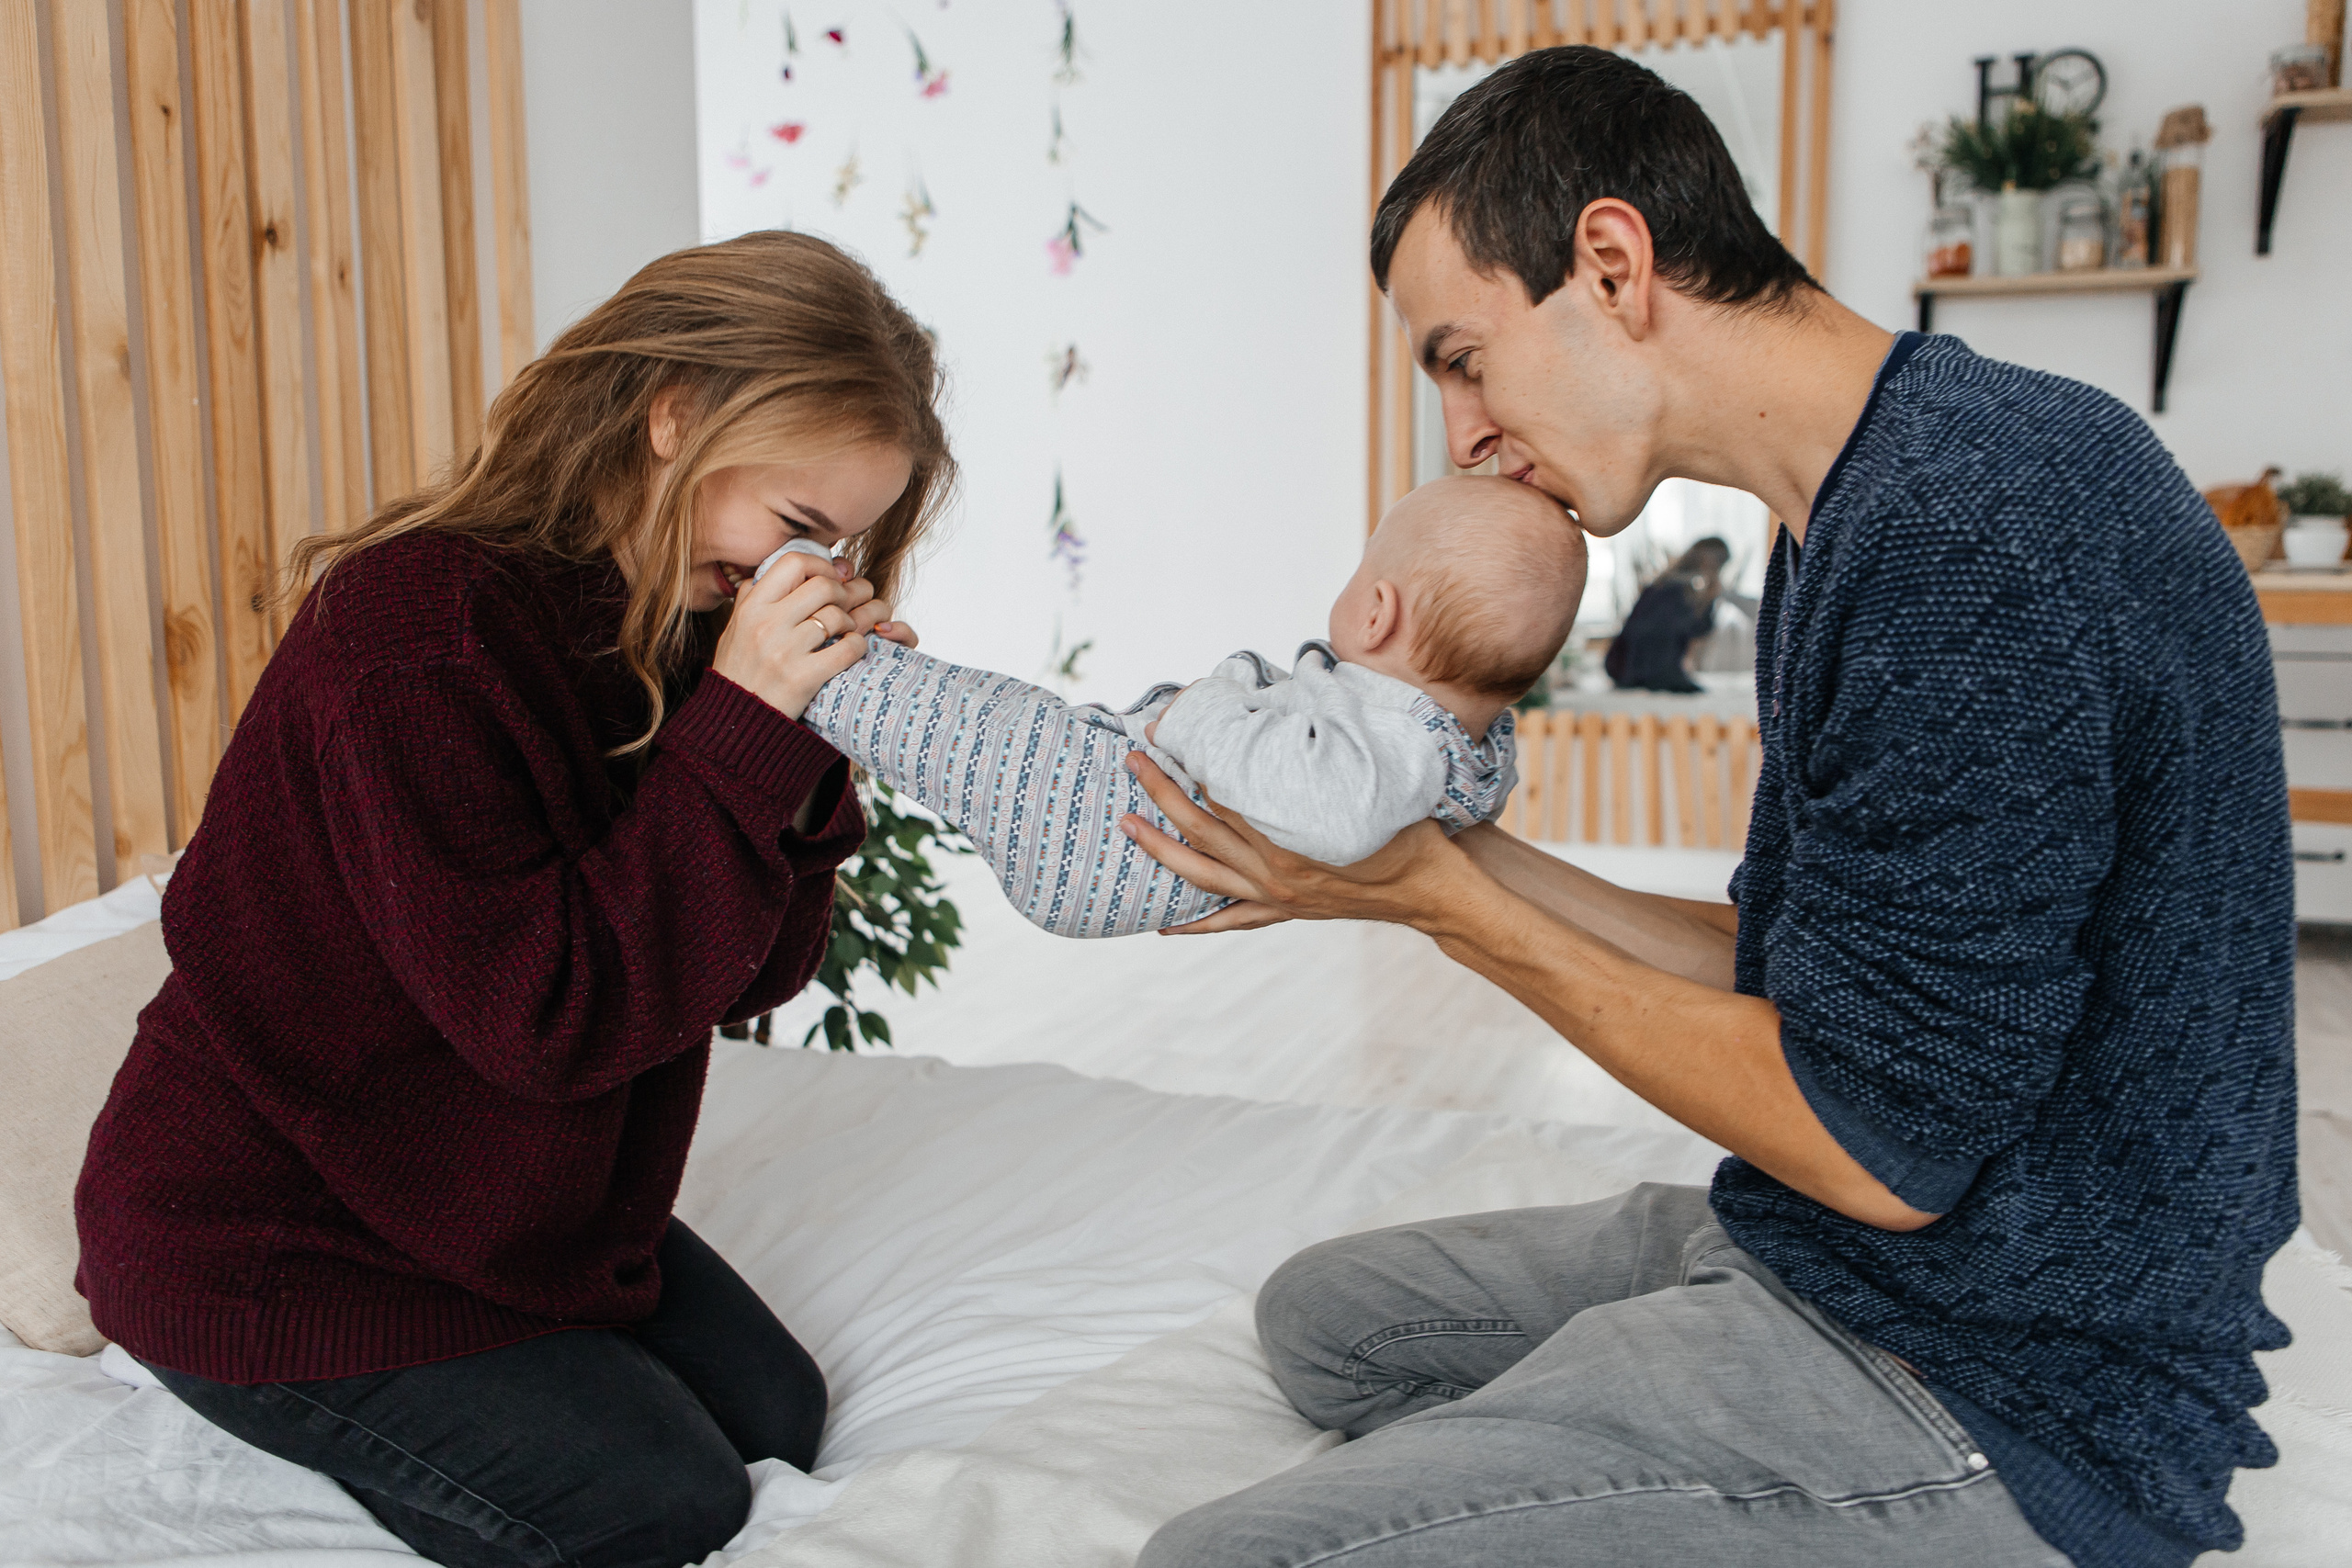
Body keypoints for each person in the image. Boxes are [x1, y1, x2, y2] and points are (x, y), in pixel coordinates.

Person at [1128, 45, 2294, 1568]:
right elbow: (1798, 970)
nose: (1464, 433)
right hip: (1847, 1256)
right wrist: (1438, 854)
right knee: (1330, 1325)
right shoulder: (1859, 500)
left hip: (2010, 1376)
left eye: (1463, 357)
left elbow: (1883, 1149)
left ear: (1612, 264)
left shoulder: (1964, 533)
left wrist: (1444, 907)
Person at [73, 232, 952, 1568]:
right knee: (665, 1505)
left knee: (777, 1418)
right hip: (270, 1228)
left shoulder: (676, 619)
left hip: (499, 1198)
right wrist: (745, 723)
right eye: (792, 526)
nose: (799, 572)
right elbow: (547, 1020)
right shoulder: (419, 636)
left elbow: (751, 974)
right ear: (673, 417)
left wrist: (808, 733)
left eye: (832, 543)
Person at [797, 475, 1583, 936]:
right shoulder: (1454, 753)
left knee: (992, 726)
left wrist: (1199, 709)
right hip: (1114, 836)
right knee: (960, 723)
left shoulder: (1397, 740)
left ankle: (807, 642)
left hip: (1104, 822)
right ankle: (848, 671)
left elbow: (1328, 816)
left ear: (1378, 613)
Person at [1604, 535, 1730, 692]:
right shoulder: (1679, 588)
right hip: (1646, 671)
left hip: (1621, 668)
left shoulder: (1664, 582)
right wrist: (1710, 598)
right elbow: (1695, 629)